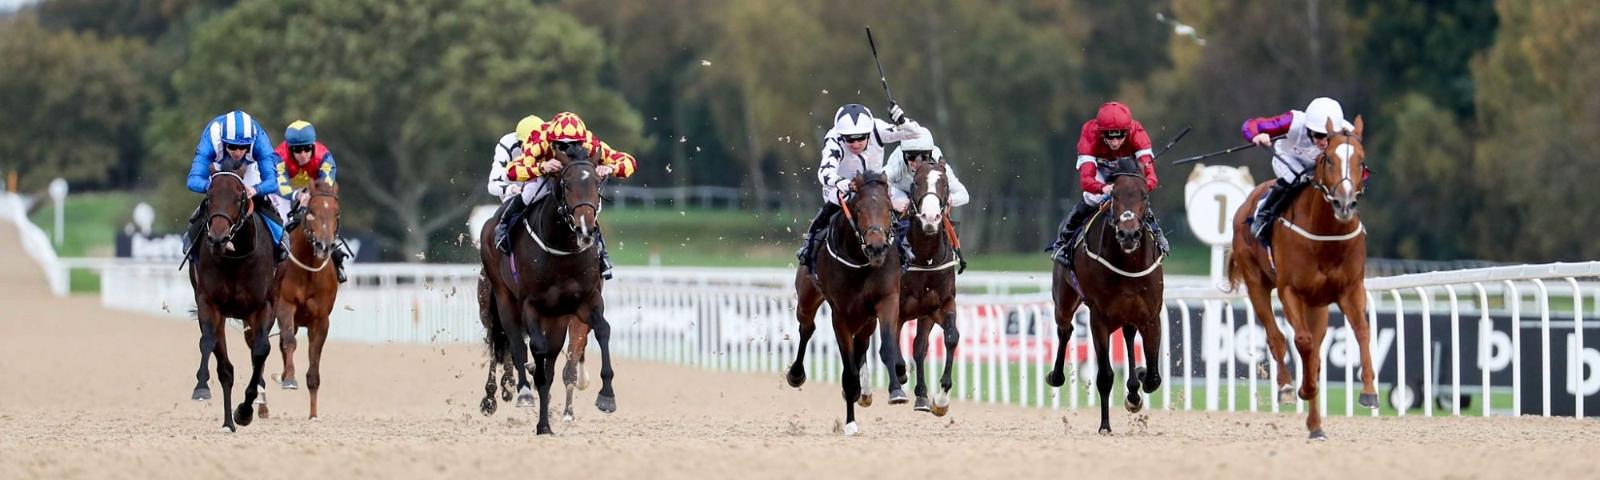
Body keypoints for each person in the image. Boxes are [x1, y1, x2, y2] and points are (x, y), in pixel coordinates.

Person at [497, 112, 637, 280]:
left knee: (589, 204)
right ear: (551, 139)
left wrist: (611, 168)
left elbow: (629, 162)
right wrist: (541, 167)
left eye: (574, 144)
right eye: (562, 145)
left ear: (582, 140)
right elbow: (512, 172)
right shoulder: (539, 140)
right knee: (531, 193)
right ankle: (505, 225)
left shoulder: (591, 143)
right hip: (545, 173)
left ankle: (602, 254)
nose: (569, 148)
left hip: (573, 177)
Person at [796, 103, 922, 273]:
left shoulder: (877, 129)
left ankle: (903, 251)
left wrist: (901, 120)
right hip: (845, 188)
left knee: (895, 215)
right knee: (828, 213)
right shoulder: (834, 139)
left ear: (868, 134)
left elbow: (915, 133)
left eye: (860, 138)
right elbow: (825, 171)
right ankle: (809, 248)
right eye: (849, 139)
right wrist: (839, 181)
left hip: (875, 189)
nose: (855, 143)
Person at [1047, 101, 1167, 265]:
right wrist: (1103, 188)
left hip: (1126, 170)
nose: (1115, 142)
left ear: (1128, 131)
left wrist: (1142, 188)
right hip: (1100, 169)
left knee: (1134, 196)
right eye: (1110, 136)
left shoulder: (1138, 133)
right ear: (1101, 132)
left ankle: (1156, 233)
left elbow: (1151, 177)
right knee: (1092, 198)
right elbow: (1086, 180)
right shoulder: (1090, 133)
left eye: (1120, 136)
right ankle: (1063, 241)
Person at [1239, 97, 1352, 245]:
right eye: (1318, 135)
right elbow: (1250, 125)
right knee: (1297, 179)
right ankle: (1264, 211)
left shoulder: (1348, 131)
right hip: (1289, 158)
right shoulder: (1292, 122)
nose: (1324, 142)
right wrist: (1256, 135)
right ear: (1308, 129)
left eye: (1329, 136)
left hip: (1319, 164)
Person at [184, 110, 285, 263]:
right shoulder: (211, 139)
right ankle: (191, 238)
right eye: (232, 146)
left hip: (249, 166)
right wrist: (212, 188)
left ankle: (281, 240)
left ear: (250, 143)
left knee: (263, 201)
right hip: (219, 165)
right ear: (224, 142)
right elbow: (193, 180)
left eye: (243, 147)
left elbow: (272, 182)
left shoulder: (260, 141)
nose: (238, 152)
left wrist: (256, 189)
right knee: (216, 200)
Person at [885, 126, 969, 271]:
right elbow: (877, 185)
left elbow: (964, 195)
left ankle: (952, 251)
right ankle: (891, 251)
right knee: (903, 204)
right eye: (911, 156)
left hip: (926, 194)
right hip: (900, 191)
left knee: (938, 206)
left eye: (923, 157)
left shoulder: (940, 165)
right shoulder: (896, 163)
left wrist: (950, 199)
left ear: (930, 155)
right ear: (904, 155)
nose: (917, 162)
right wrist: (892, 202)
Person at [273, 120, 347, 282]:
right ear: (288, 148)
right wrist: (298, 196)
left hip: (314, 189)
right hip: (285, 192)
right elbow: (280, 186)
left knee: (325, 216)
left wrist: (311, 197)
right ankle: (273, 265)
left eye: (307, 148)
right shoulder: (278, 157)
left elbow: (326, 186)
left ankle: (337, 261)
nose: (303, 154)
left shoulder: (324, 157)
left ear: (313, 146)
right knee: (281, 224)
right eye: (297, 150)